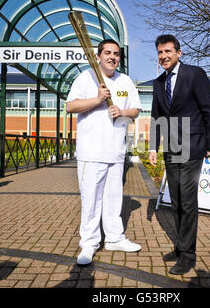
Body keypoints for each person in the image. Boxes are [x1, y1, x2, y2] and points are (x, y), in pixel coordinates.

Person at [66, 39, 142, 266]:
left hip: (116, 151)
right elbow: (70, 106)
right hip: (91, 152)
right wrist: (97, 99)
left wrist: (122, 111)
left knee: (112, 199)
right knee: (91, 200)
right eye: (107, 53)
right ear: (98, 56)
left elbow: (136, 111)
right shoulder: (85, 77)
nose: (112, 57)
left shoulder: (125, 81)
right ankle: (89, 242)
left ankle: (114, 238)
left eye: (116, 54)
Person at [149, 35, 210, 275]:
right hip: (171, 148)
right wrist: (152, 148)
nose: (163, 56)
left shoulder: (194, 74)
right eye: (160, 52)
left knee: (188, 201)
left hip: (192, 145)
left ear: (178, 52)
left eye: (168, 51)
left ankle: (188, 255)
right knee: (176, 200)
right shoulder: (159, 82)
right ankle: (180, 247)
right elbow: (156, 117)